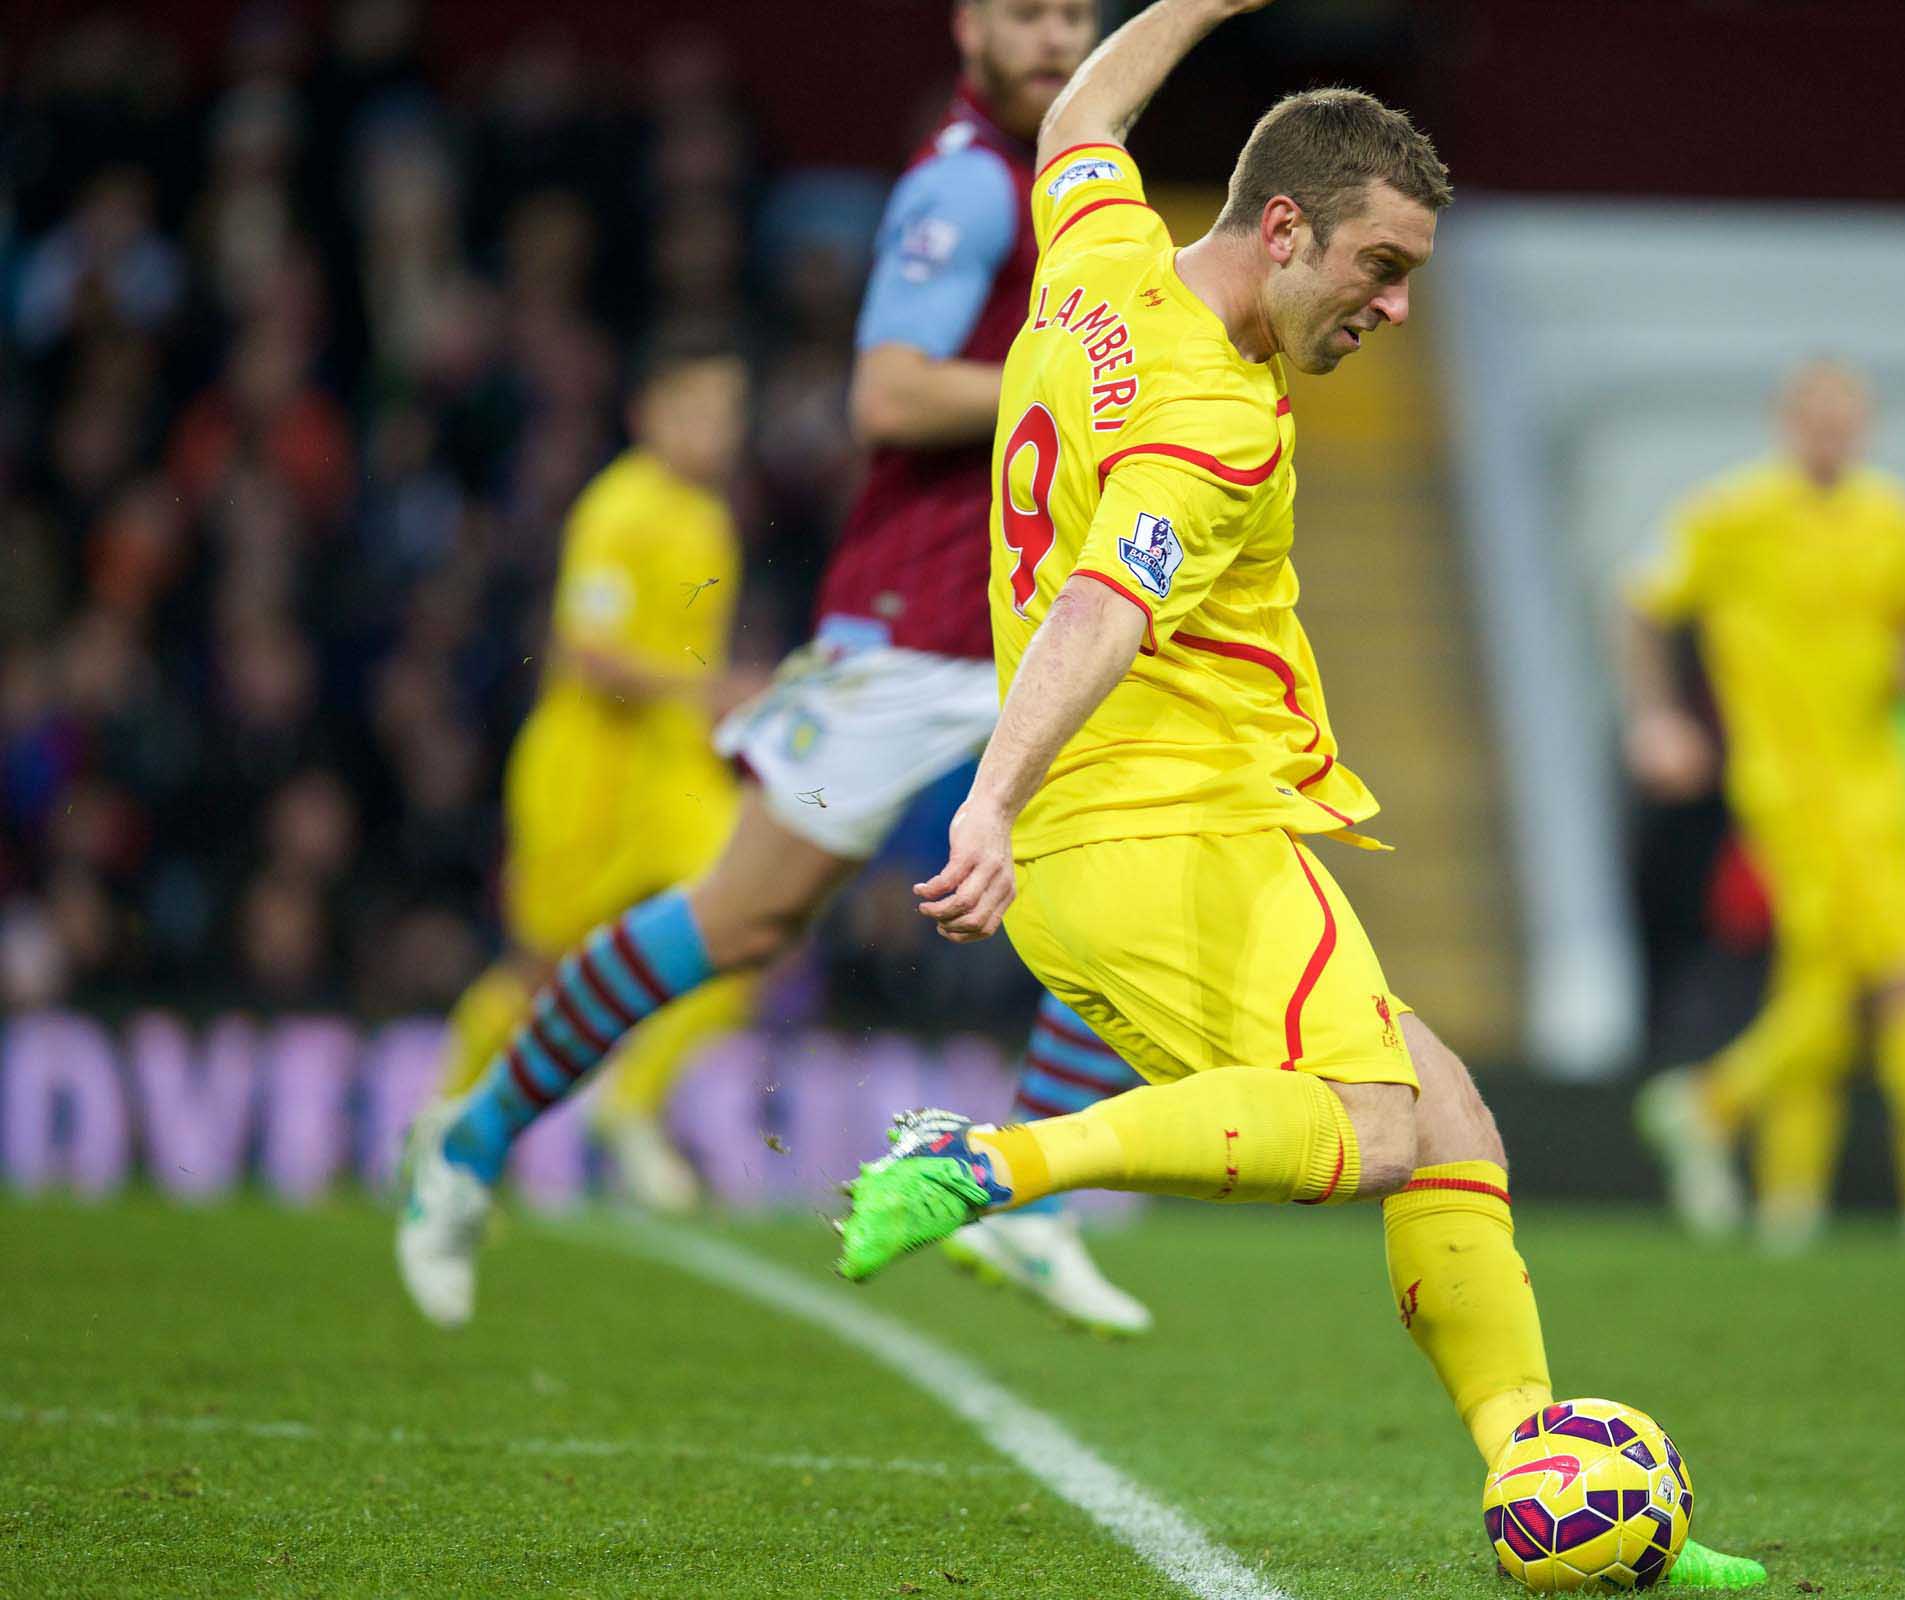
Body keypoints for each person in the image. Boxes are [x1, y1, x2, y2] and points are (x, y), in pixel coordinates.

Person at [830, 1, 1763, 1585]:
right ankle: (993, 1164)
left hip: (1121, 846)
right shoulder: (1217, 419)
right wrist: (986, 798)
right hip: (1159, 828)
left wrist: (1194, 4)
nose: (1394, 309)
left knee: (1450, 1115)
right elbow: (1105, 609)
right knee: (1387, 1127)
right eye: (1379, 270)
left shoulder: (1100, 265)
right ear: (1282, 227)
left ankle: (1536, 1469)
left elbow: (1077, 128)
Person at [399, 0, 1156, 1337]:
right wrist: (1081, 381)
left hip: (1032, 620)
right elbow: (888, 394)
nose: (1053, 40)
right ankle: (472, 1137)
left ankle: (1026, 1201)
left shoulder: (1085, 184)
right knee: (737, 924)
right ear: (972, 24)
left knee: (1142, 870)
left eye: (1075, 17)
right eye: (1026, 14)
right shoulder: (968, 184)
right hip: (911, 627)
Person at [1623, 361, 1905, 1256]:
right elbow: (1638, 604)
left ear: (1862, 426)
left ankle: (1777, 1182)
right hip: (1787, 788)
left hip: (1882, 785)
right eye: (1816, 416)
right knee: (1897, 973)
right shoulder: (1734, 514)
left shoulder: (1892, 516)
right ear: (1787, 421)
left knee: (1849, 980)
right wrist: (1656, 718)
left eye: (1846, 418)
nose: (1831, 432)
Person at [427, 331, 755, 1213]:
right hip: (586, 768)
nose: (714, 429)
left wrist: (725, 703)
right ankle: (444, 1129)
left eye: (726, 412)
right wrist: (711, 686)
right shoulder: (619, 510)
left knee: (752, 924)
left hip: (671, 770)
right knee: (541, 969)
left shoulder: (709, 514)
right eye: (696, 408)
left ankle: (631, 1101)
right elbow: (586, 654)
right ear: (648, 413)